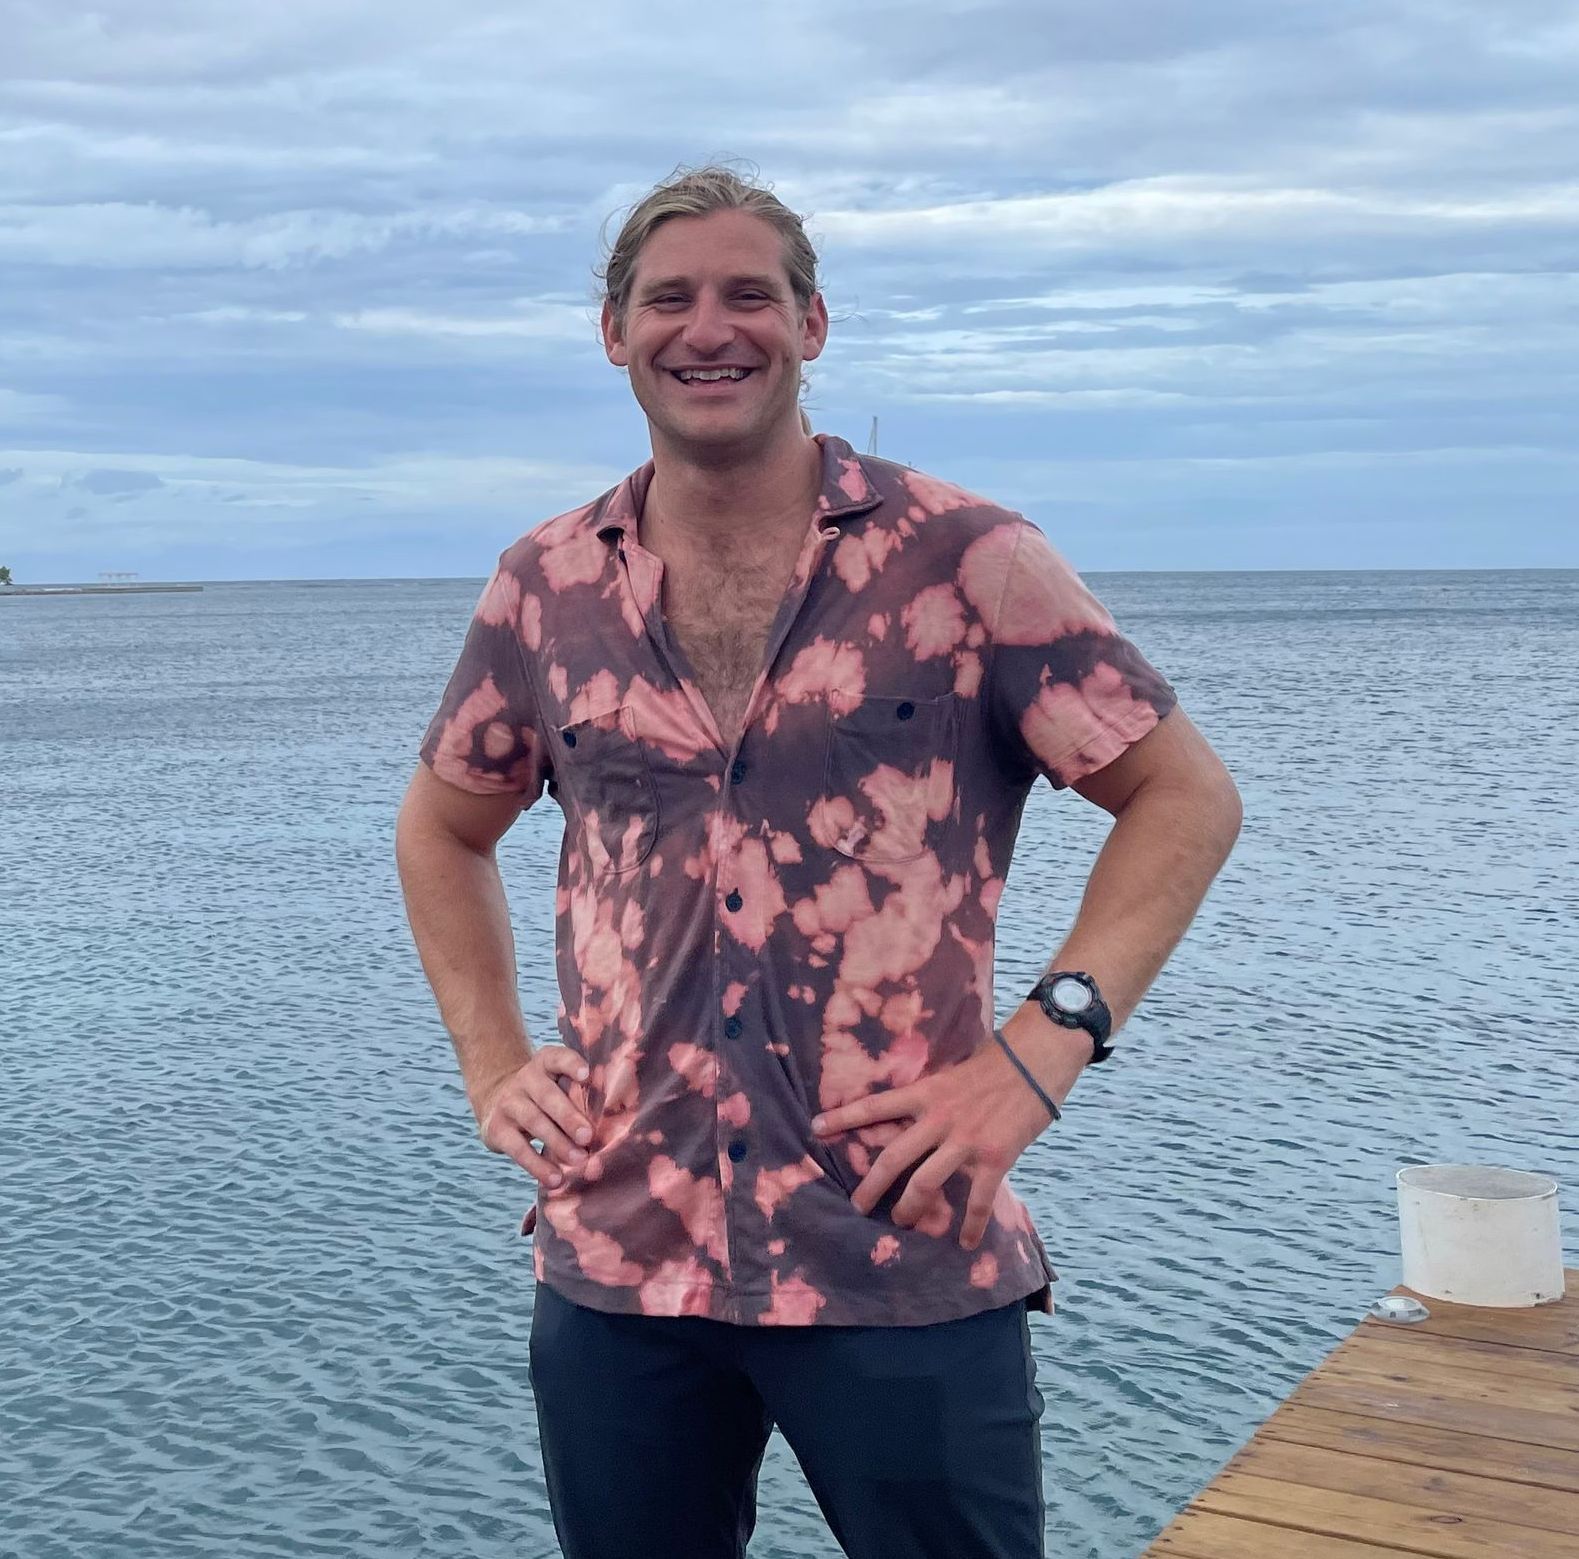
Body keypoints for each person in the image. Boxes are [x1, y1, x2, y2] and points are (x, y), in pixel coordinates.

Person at [396, 164, 1242, 1559]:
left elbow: (1184, 798)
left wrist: (1043, 1052)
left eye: (751, 295)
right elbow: (443, 827)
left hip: (898, 1245)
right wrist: (493, 1064)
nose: (707, 327)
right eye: (668, 298)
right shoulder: (541, 587)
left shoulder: (966, 558)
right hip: (621, 1254)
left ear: (814, 325)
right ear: (614, 334)